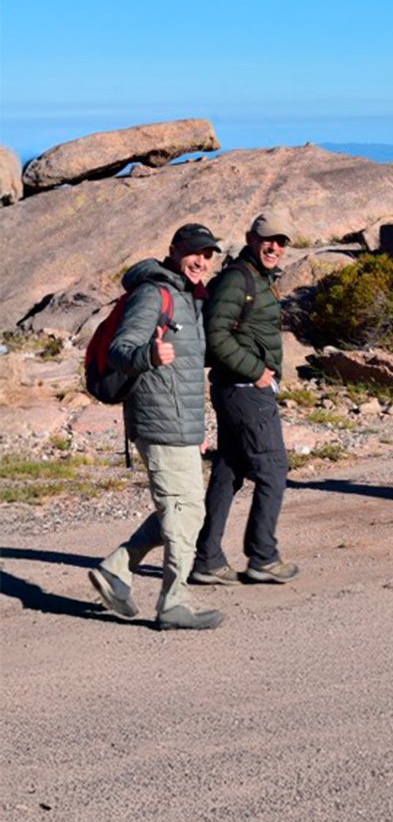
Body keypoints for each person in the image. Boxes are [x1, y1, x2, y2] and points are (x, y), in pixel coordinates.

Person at [88, 223, 225, 629]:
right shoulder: (154, 293)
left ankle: (116, 569)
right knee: (186, 511)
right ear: (174, 251)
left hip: (179, 423)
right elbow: (119, 350)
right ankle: (173, 603)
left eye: (208, 254)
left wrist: (197, 430)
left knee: (180, 510)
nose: (201, 261)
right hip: (158, 421)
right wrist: (148, 354)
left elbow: (184, 373)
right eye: (194, 252)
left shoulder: (188, 297)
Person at [190, 211, 299, 585]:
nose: (275, 247)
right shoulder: (239, 280)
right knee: (272, 469)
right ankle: (263, 557)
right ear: (252, 238)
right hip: (244, 390)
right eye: (268, 239)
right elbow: (216, 335)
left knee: (229, 470)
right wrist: (257, 372)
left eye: (281, 241)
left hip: (239, 389)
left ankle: (207, 559)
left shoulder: (258, 278)